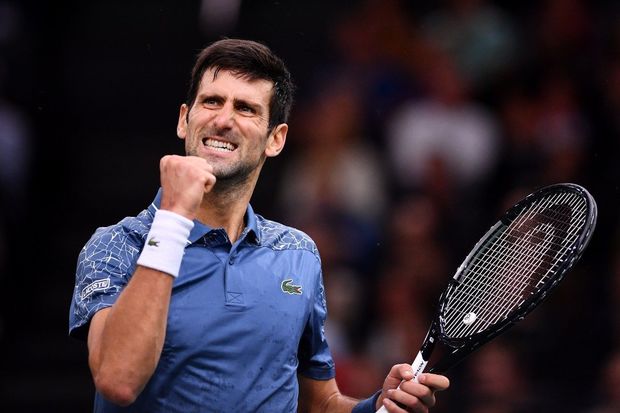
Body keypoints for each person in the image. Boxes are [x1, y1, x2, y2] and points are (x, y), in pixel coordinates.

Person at [68, 38, 449, 413]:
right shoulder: (119, 244)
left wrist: (376, 406)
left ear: (276, 139)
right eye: (212, 101)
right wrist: (172, 218)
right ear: (184, 119)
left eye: (245, 108)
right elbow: (118, 380)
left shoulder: (298, 254)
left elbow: (319, 402)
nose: (223, 120)